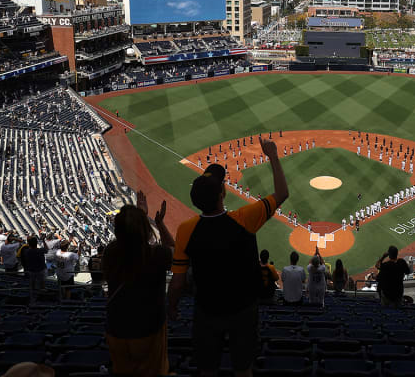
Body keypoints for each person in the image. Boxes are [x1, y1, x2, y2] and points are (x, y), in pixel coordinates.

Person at [168, 140, 288, 377]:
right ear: (223, 193)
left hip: (206, 309)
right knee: (243, 369)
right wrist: (273, 155)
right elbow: (282, 193)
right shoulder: (244, 218)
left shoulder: (185, 230)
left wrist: (170, 307)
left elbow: (178, 281)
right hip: (242, 309)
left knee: (207, 369)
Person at [104, 191, 174, 377]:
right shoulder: (156, 254)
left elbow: (129, 242)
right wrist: (158, 223)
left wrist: (140, 217)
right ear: (146, 229)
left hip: (116, 328)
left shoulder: (110, 253)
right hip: (148, 328)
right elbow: (176, 252)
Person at [20, 235, 47, 303]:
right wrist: (43, 241)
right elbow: (46, 249)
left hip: (31, 270)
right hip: (41, 270)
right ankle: (42, 298)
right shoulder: (40, 250)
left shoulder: (26, 251)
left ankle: (33, 297)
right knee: (42, 285)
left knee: (32, 284)